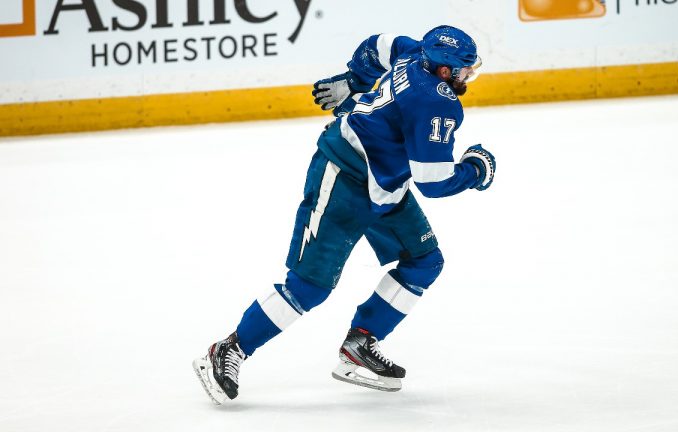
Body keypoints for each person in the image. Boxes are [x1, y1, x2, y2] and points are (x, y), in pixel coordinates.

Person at [193, 25, 496, 404]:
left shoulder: (415, 50)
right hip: (344, 175)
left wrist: (355, 78)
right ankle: (228, 349)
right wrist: (476, 169)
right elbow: (433, 182)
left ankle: (360, 343)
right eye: (466, 70)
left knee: (424, 260)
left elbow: (379, 44)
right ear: (445, 71)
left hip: (386, 183)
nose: (470, 75)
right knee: (310, 285)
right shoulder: (437, 103)